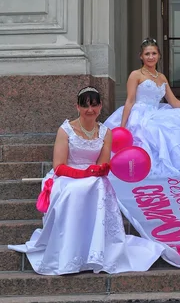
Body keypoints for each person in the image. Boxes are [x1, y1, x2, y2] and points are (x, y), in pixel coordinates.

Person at [8, 86, 164, 275]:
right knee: (73, 191)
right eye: (85, 105)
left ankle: (96, 252)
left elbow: (103, 163)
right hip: (66, 176)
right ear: (77, 107)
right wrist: (83, 174)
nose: (90, 110)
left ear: (100, 106)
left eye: (94, 105)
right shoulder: (66, 130)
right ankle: (71, 251)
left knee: (98, 185)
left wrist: (97, 170)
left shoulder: (106, 132)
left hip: (93, 177)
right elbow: (59, 165)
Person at [105, 38, 180, 176]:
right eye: (147, 54)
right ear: (141, 56)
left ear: (159, 55)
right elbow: (130, 100)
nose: (151, 57)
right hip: (139, 113)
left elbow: (172, 100)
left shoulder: (161, 77)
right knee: (155, 130)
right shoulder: (135, 75)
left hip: (156, 111)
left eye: (154, 53)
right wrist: (123, 126)